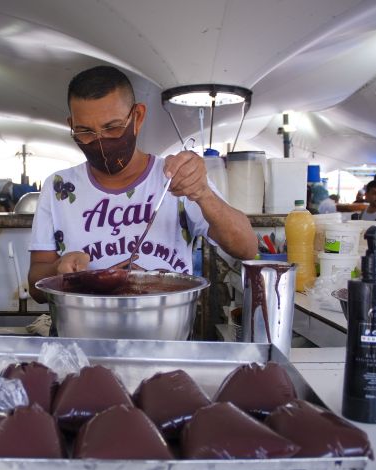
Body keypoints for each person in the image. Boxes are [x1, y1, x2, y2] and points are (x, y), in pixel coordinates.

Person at [27, 66, 257, 303]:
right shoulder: (59, 187)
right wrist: (58, 268)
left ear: (137, 117)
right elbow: (36, 287)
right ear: (71, 124)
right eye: (85, 131)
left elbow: (247, 248)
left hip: (165, 329)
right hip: (81, 332)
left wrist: (203, 193)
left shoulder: (174, 176)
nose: (100, 141)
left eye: (112, 127)